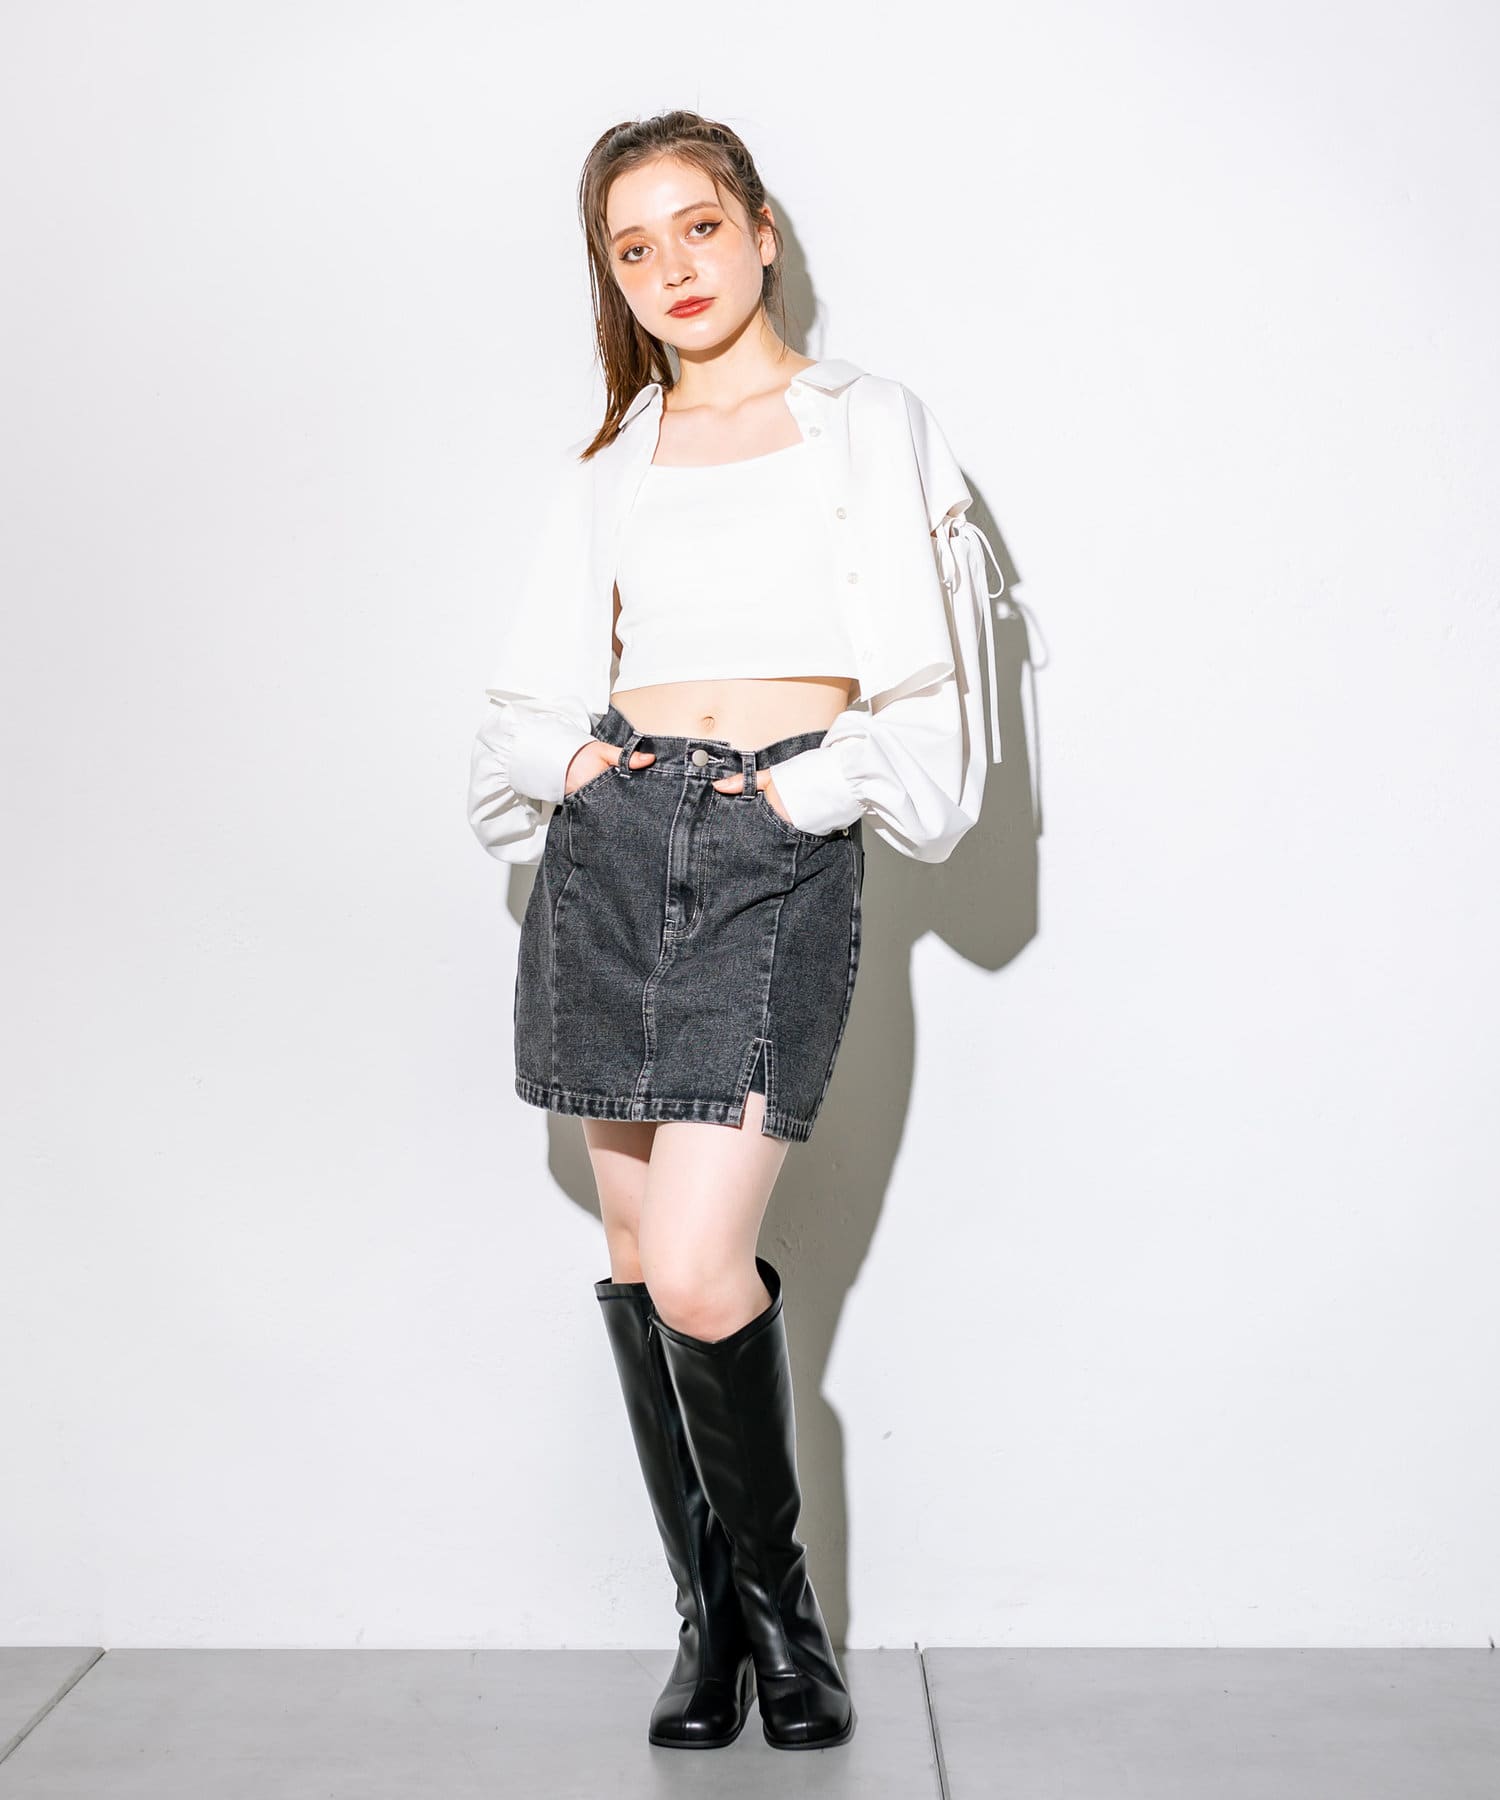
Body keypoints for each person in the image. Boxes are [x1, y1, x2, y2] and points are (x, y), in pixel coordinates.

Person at [467, 110, 1003, 1753]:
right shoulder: (614, 464)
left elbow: (930, 693)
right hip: (615, 853)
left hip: (777, 850)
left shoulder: (866, 424)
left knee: (703, 1267)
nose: (672, 269)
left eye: (697, 227)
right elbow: (523, 692)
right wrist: (576, 773)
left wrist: (801, 792)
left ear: (761, 231)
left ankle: (784, 1623)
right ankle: (709, 1628)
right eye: (633, 249)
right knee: (641, 1260)